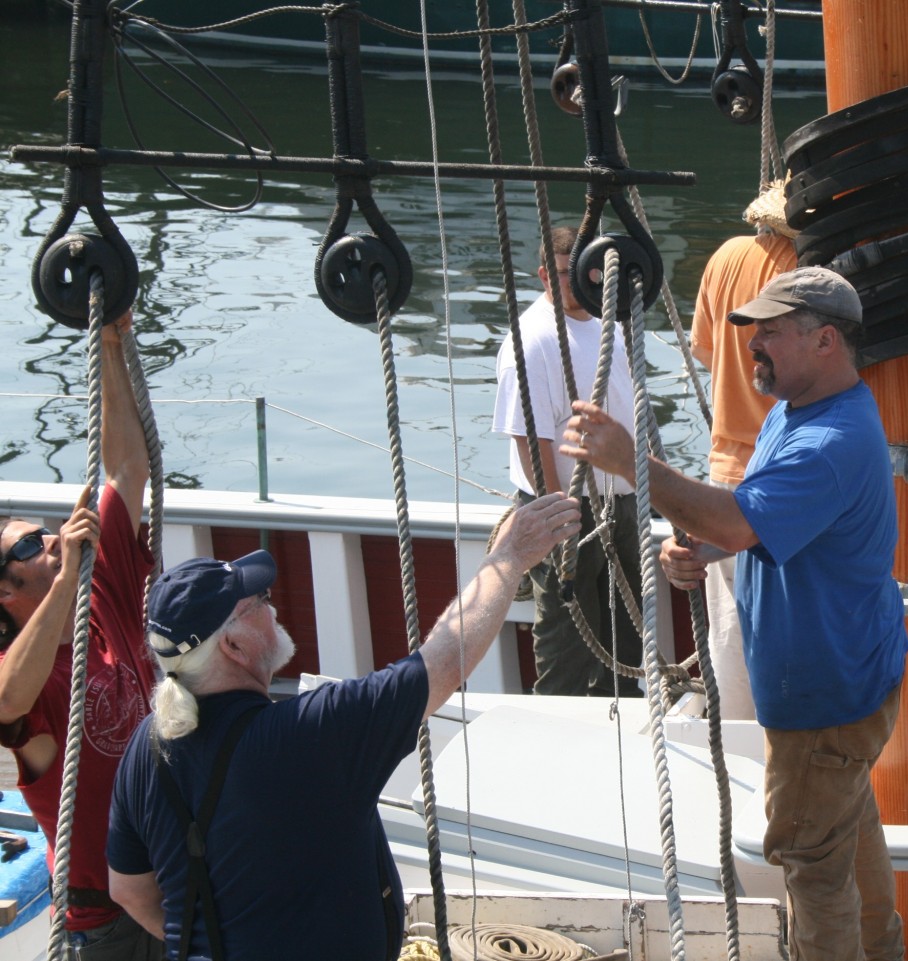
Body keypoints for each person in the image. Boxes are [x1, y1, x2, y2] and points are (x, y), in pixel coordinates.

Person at [561, 266, 908, 961]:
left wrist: (634, 461)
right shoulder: (796, 410)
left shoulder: (829, 441)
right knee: (845, 834)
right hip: (848, 683)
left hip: (823, 701)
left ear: (825, 341)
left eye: (771, 333)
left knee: (813, 866)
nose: (753, 346)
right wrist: (702, 549)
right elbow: (759, 519)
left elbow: (741, 521)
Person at [105, 492, 581, 961]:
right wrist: (510, 557)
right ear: (233, 645)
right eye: (260, 602)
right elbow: (444, 662)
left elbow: (128, 890)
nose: (273, 608)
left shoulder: (145, 750)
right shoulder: (310, 733)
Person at [0, 311, 163, 959]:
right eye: (33, 543)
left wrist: (110, 341)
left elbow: (126, 467)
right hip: (102, 928)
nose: (52, 539)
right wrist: (67, 577)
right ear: (7, 593)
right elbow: (6, 702)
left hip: (176, 880)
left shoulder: (103, 592)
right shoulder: (22, 675)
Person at [492, 225, 643, 696]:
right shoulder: (533, 340)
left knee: (628, 635)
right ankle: (556, 721)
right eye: (563, 273)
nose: (579, 283)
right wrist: (559, 516)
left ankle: (623, 710)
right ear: (542, 275)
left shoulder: (610, 322)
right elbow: (528, 436)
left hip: (622, 502)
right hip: (566, 507)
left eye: (586, 272)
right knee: (568, 638)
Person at [688, 182, 798, 719]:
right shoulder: (809, 270)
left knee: (730, 636)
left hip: (725, 469)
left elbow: (707, 351)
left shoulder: (726, 256)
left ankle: (736, 754)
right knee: (792, 638)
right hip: (786, 473)